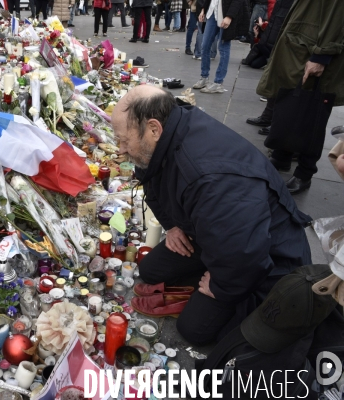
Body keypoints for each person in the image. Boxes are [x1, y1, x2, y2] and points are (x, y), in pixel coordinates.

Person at [113, 85, 311, 345]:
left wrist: (220, 287)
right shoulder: (169, 132)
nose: (120, 149)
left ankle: (222, 287)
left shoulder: (211, 180)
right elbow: (151, 183)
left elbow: (247, 253)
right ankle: (211, 269)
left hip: (267, 260)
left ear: (153, 129)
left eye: (124, 141)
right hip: (213, 235)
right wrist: (172, 226)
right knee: (151, 269)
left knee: (194, 329)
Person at [253, 0, 344, 194]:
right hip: (301, 48)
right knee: (289, 105)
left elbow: (336, 16)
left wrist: (321, 56)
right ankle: (281, 156)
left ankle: (305, 172)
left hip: (314, 52)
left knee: (313, 114)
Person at [192, 0, 248, 93]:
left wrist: (230, 16)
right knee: (205, 45)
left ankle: (218, 82)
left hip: (225, 13)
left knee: (223, 47)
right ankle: (204, 77)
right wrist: (203, 10)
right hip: (212, 12)